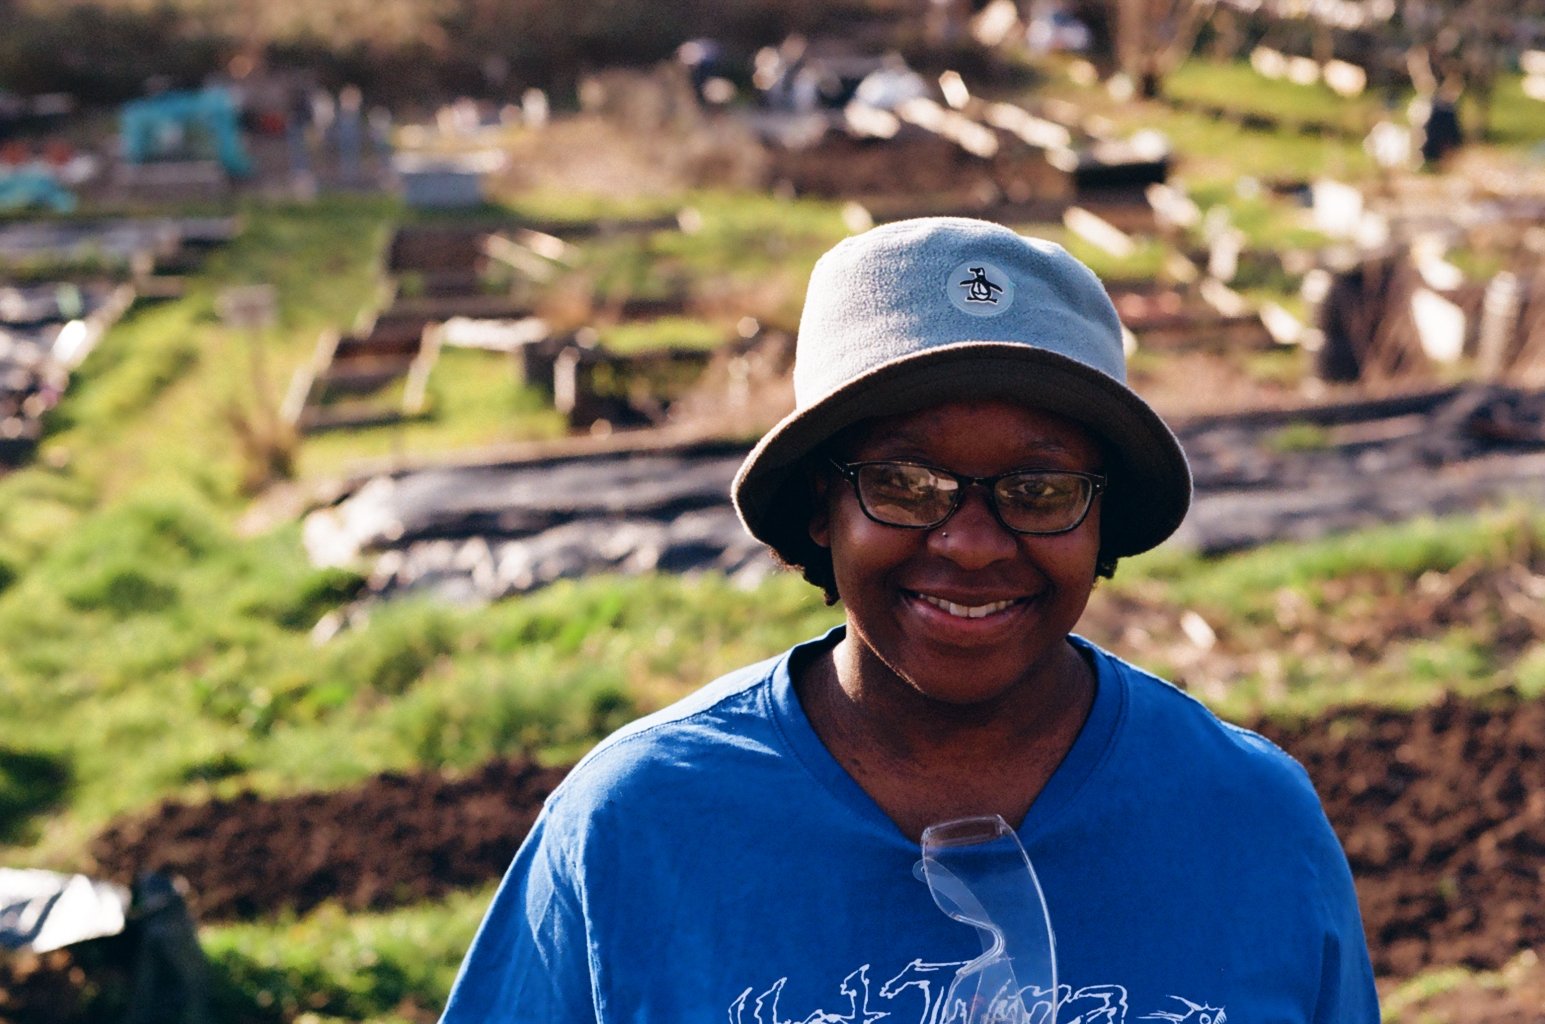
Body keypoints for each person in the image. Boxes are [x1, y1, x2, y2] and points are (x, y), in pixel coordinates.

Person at [438, 218, 1379, 1023]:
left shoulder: (1252, 824)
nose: (971, 543)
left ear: (1103, 521)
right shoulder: (635, 828)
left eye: (1039, 487)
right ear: (819, 508)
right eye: (903, 483)